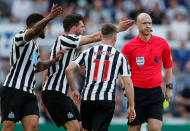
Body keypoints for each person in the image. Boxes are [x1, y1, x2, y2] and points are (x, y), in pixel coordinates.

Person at [41, 14, 134, 131]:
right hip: (54, 92)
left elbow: (50, 66)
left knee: (81, 127)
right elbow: (93, 38)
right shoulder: (64, 39)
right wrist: (117, 29)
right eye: (82, 26)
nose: (84, 29)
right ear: (74, 28)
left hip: (61, 94)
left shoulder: (72, 47)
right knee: (74, 128)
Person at [0, 4, 64, 131]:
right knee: (8, 127)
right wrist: (49, 17)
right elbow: (31, 33)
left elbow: (36, 67)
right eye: (44, 26)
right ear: (38, 25)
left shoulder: (35, 47)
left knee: (33, 127)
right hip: (14, 89)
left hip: (29, 92)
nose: (46, 29)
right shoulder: (20, 37)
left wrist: (53, 61)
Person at [65, 23, 136, 131]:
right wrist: (131, 106)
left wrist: (74, 90)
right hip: (105, 100)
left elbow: (68, 69)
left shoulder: (88, 51)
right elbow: (128, 83)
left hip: (87, 99)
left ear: (101, 36)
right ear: (115, 38)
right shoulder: (120, 56)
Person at [121, 13, 173, 131]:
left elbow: (168, 66)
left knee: (155, 128)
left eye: (150, 23)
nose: (148, 26)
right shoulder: (129, 46)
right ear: (137, 25)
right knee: (134, 128)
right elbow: (121, 70)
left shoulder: (162, 43)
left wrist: (169, 87)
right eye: (144, 23)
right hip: (136, 94)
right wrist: (125, 87)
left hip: (156, 92)